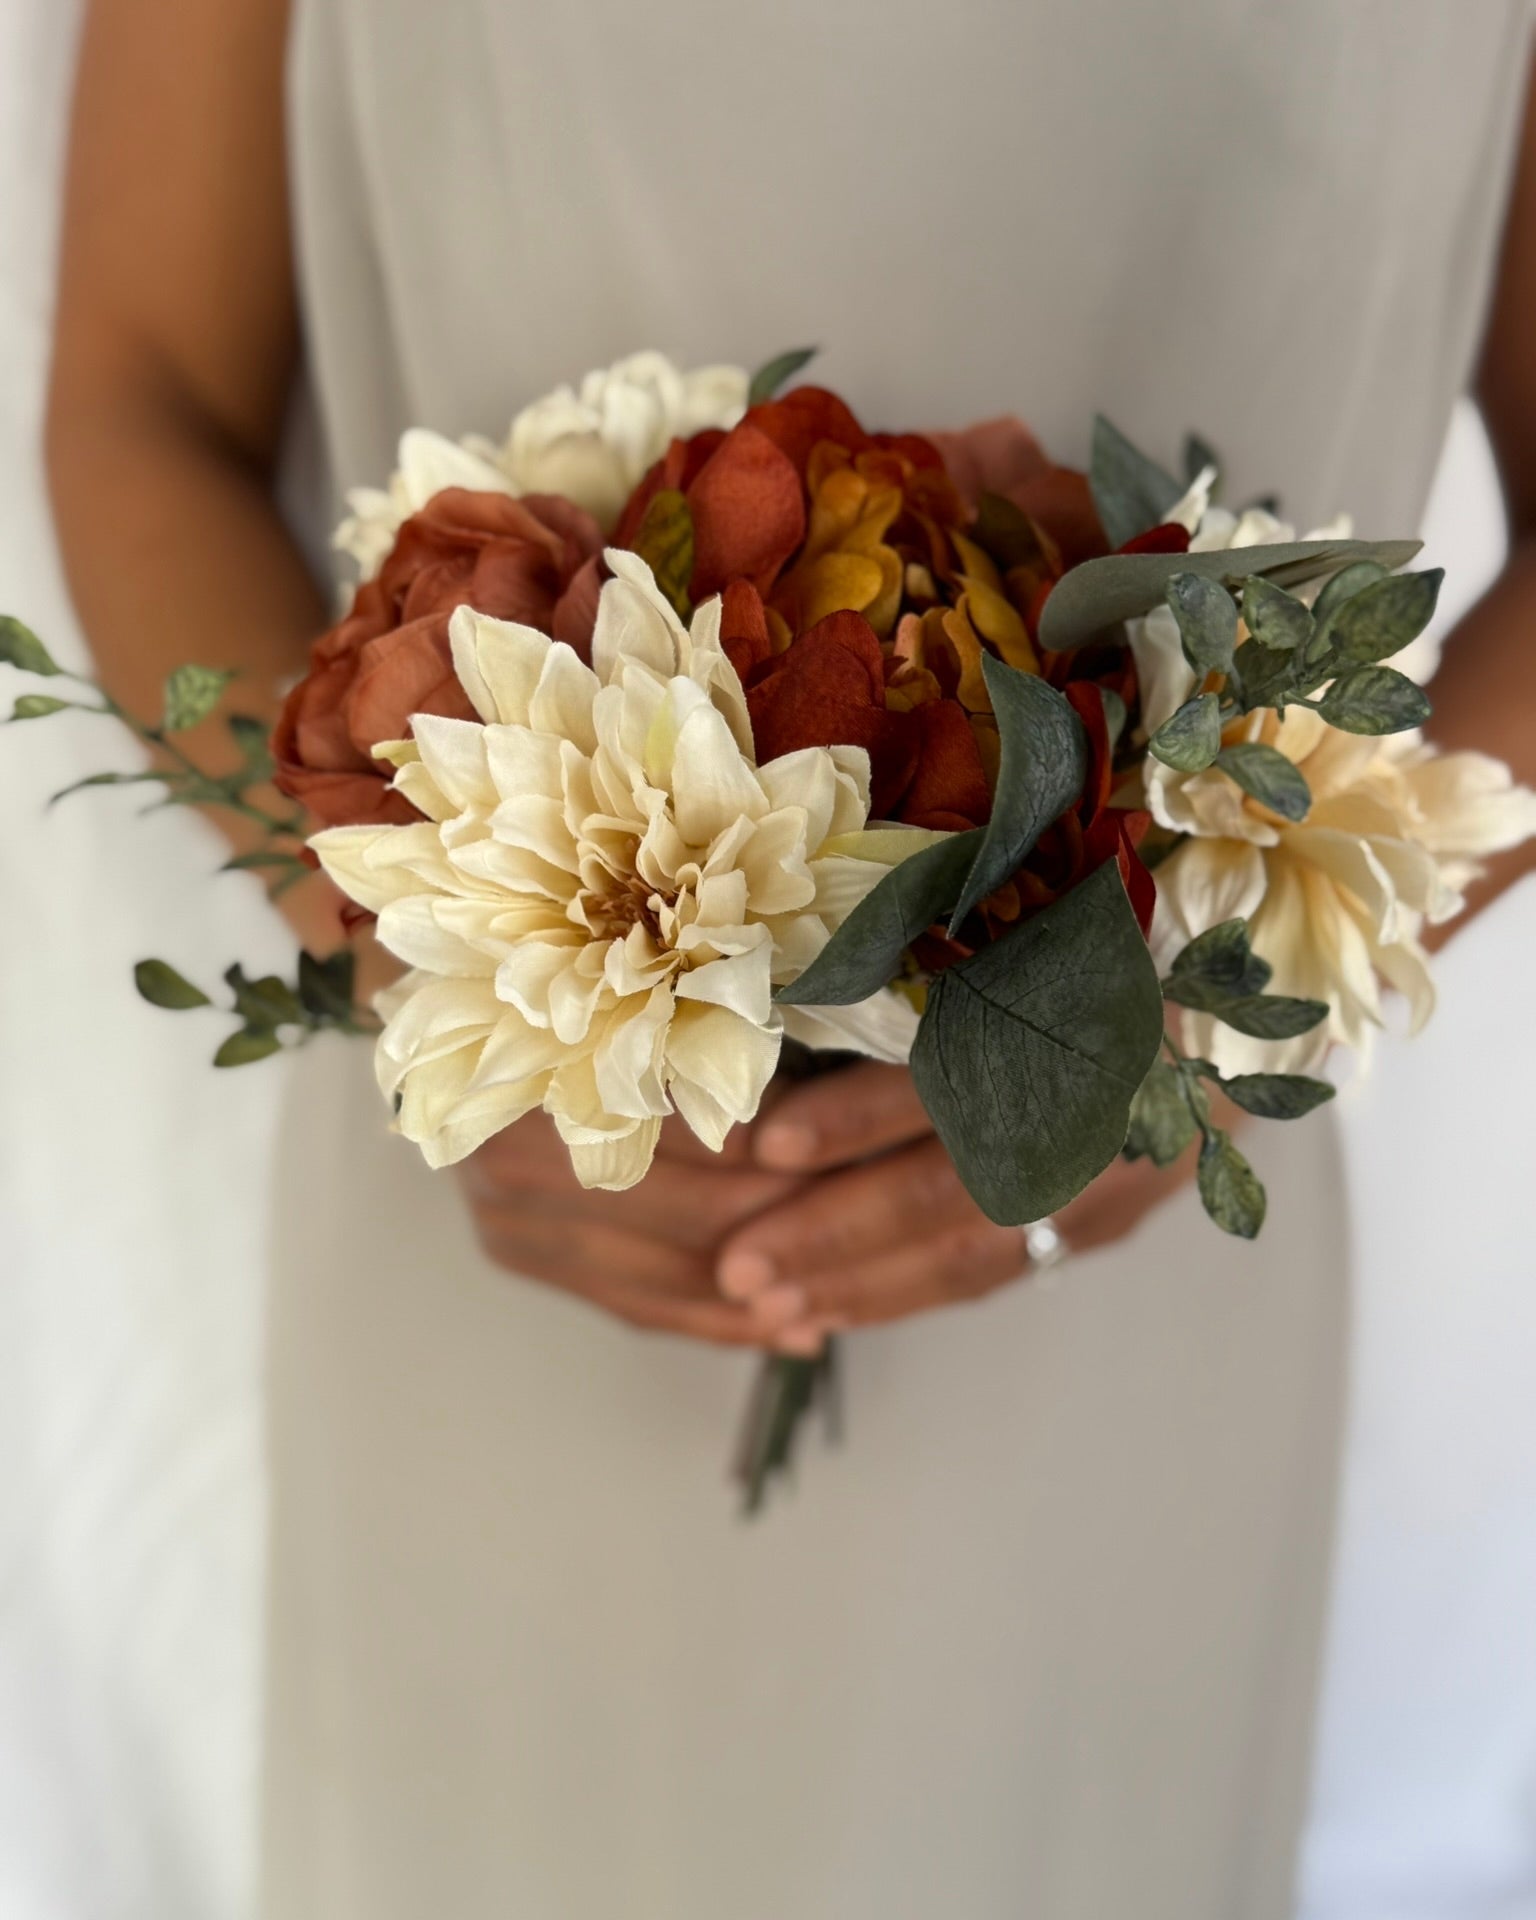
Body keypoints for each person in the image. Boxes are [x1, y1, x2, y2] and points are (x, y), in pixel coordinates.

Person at [44, 2, 1536, 1915]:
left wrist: (1215, 1029)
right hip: (512, 1241)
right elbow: (146, 390)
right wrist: (445, 966)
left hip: (1131, 1335)